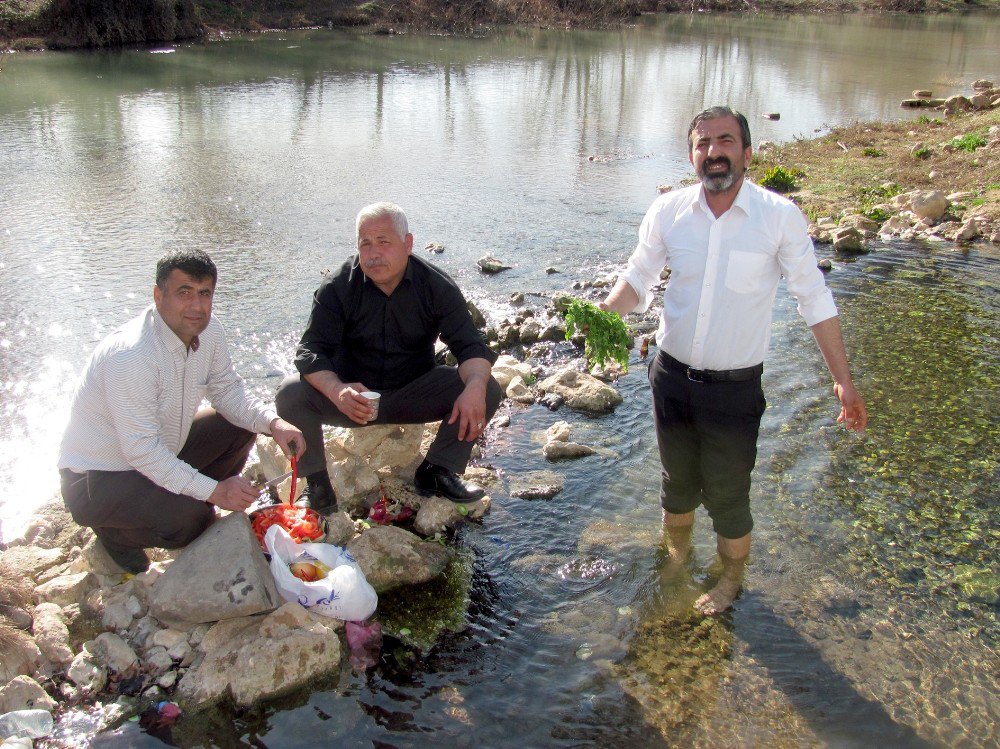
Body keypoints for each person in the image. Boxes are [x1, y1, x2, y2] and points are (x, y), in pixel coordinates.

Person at [599, 106, 868, 615]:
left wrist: (842, 382)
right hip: (671, 375)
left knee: (728, 495)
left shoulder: (779, 217)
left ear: (746, 153)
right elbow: (638, 279)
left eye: (725, 141)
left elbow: (814, 298)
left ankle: (730, 578)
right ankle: (676, 558)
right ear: (691, 154)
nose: (713, 152)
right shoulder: (668, 211)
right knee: (676, 481)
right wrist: (603, 315)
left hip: (735, 387)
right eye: (703, 143)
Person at [58, 249, 305, 574]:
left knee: (240, 425)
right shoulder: (131, 356)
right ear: (158, 296)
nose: (197, 306)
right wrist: (216, 491)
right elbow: (141, 451)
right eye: (184, 293)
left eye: (205, 294)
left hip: (159, 451)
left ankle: (185, 497)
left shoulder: (209, 330)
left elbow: (228, 392)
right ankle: (114, 534)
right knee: (194, 521)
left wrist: (274, 424)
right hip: (98, 479)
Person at [276, 201, 503, 511]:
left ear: (407, 244)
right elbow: (310, 351)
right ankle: (318, 487)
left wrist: (475, 386)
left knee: (486, 386)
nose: (373, 253)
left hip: (414, 391)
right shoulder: (337, 287)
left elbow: (470, 346)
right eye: (365, 244)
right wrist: (336, 390)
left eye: (383, 242)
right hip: (354, 400)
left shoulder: (435, 286)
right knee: (290, 393)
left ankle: (437, 469)